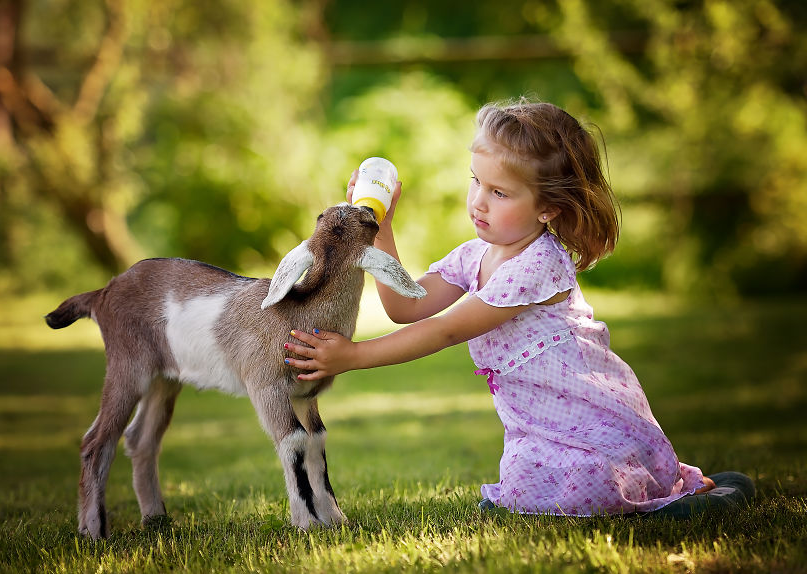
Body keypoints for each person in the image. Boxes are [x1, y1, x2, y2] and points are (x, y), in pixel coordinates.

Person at [283, 99, 752, 517]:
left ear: (547, 208)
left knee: (588, 488)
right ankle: (672, 490)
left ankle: (684, 500)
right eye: (476, 182)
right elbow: (406, 307)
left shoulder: (540, 266)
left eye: (499, 193)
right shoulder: (473, 256)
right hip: (540, 428)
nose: (478, 203)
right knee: (522, 488)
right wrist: (377, 227)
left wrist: (354, 355)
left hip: (590, 419)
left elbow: (446, 330)